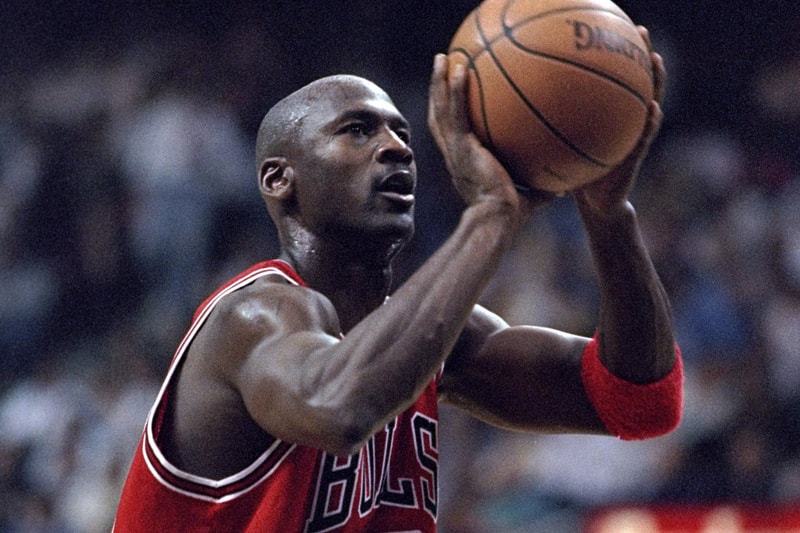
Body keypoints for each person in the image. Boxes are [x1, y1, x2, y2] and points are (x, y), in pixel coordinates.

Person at [114, 27, 682, 532]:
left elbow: (638, 402)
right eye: (357, 131)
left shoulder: (438, 341)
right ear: (279, 179)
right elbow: (339, 408)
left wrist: (609, 217)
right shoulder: (254, 316)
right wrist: (491, 216)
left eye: (401, 133)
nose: (397, 148)